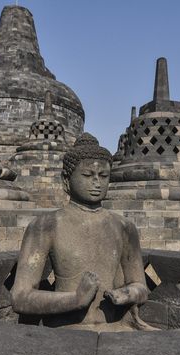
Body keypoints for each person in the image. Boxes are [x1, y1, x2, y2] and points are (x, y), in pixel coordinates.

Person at [11, 133, 154, 332]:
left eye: (103, 176)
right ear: (66, 181)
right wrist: (76, 299)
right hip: (67, 330)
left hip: (116, 328)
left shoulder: (123, 227)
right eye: (87, 175)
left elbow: (141, 287)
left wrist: (127, 294)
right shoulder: (45, 225)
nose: (97, 182)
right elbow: (20, 297)